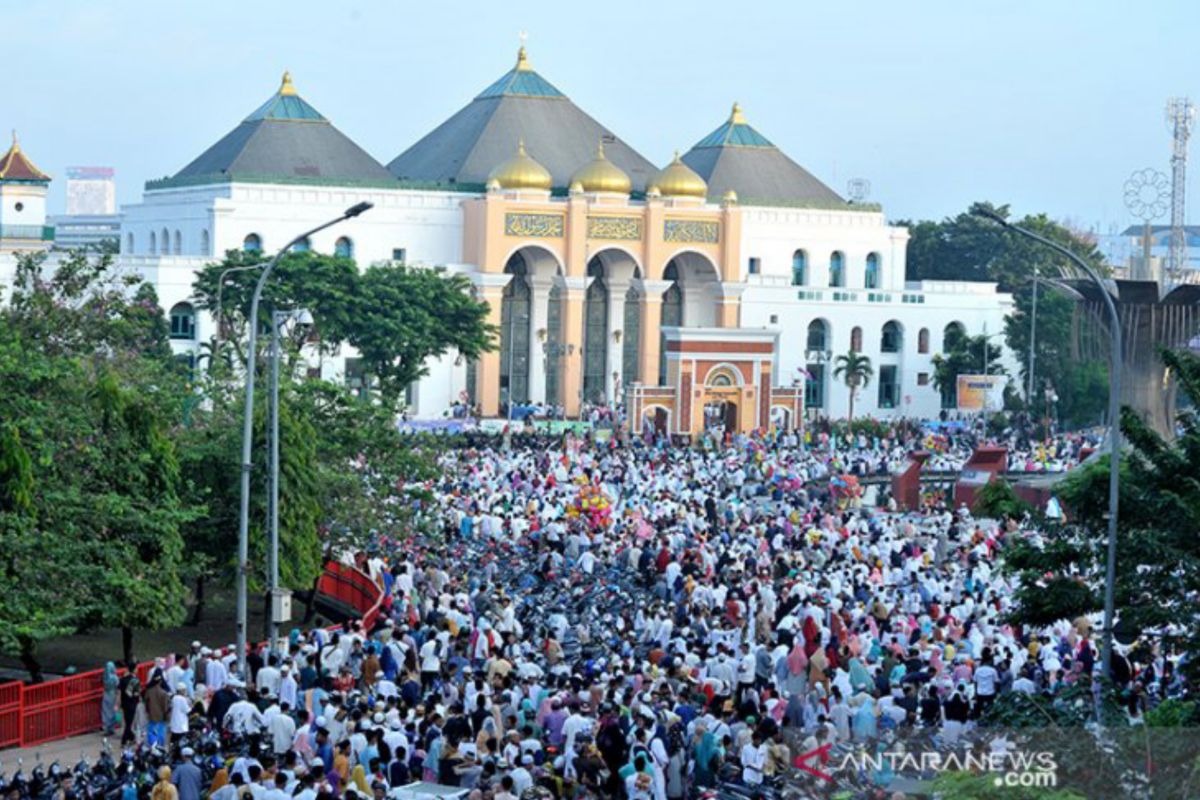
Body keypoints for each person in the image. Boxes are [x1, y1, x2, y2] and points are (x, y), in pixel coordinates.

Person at [101, 662, 120, 735]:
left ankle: (107, 727)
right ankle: (112, 727)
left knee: (106, 711)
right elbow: (118, 686)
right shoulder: (115, 677)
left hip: (106, 694)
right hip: (113, 695)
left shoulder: (105, 677)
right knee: (113, 711)